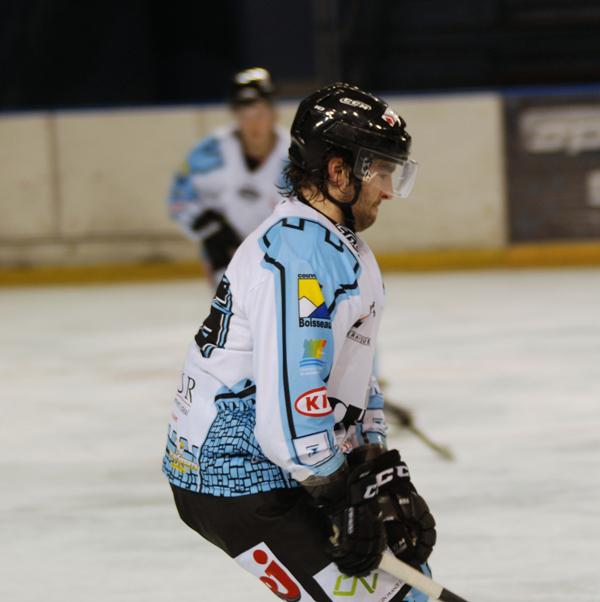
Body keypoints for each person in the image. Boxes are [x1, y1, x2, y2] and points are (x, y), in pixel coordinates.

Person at [162, 83, 436, 601]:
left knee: (407, 582)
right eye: (381, 172)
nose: (388, 189)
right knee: (390, 596)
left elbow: (351, 370)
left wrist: (373, 463)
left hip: (288, 461)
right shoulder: (298, 258)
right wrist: (338, 493)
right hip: (240, 481)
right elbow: (293, 399)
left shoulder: (340, 246)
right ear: (338, 172)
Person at [167, 67, 289, 285]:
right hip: (227, 263)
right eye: (244, 116)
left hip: (284, 262)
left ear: (274, 112)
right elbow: (178, 200)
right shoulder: (211, 153)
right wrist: (211, 230)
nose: (253, 124)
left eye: (259, 114)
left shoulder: (295, 157)